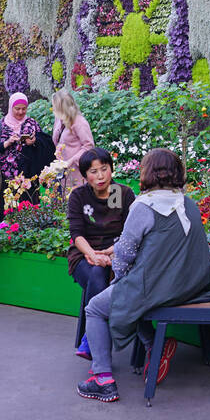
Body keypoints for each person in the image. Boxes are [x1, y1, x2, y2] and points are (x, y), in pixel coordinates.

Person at [78, 148, 210, 403]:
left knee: (96, 307)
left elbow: (124, 254)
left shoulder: (144, 207)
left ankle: (102, 379)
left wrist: (118, 283)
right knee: (130, 296)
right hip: (194, 285)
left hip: (160, 287)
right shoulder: (188, 204)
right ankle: (152, 348)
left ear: (147, 172)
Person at [66, 148, 135, 361]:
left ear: (111, 169)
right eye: (93, 172)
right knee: (97, 272)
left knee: (101, 273)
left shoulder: (121, 193)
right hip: (84, 253)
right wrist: (93, 255)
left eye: (104, 169)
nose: (100, 176)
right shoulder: (79, 196)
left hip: (118, 252)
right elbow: (76, 234)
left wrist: (115, 251)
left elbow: (129, 231)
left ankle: (90, 338)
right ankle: (92, 337)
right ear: (85, 175)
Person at [0, 91, 41, 220]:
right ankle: (8, 237)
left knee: (30, 212)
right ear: (11, 107)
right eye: (17, 109)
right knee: (8, 213)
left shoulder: (31, 124)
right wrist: (7, 143)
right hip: (6, 177)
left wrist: (34, 142)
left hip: (28, 177)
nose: (21, 112)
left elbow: (43, 146)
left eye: (24, 109)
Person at [51, 89, 95, 190]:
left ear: (62, 108)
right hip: (61, 172)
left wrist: (71, 161)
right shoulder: (59, 119)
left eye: (54, 106)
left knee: (74, 200)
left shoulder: (79, 122)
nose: (52, 109)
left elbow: (89, 146)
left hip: (77, 171)